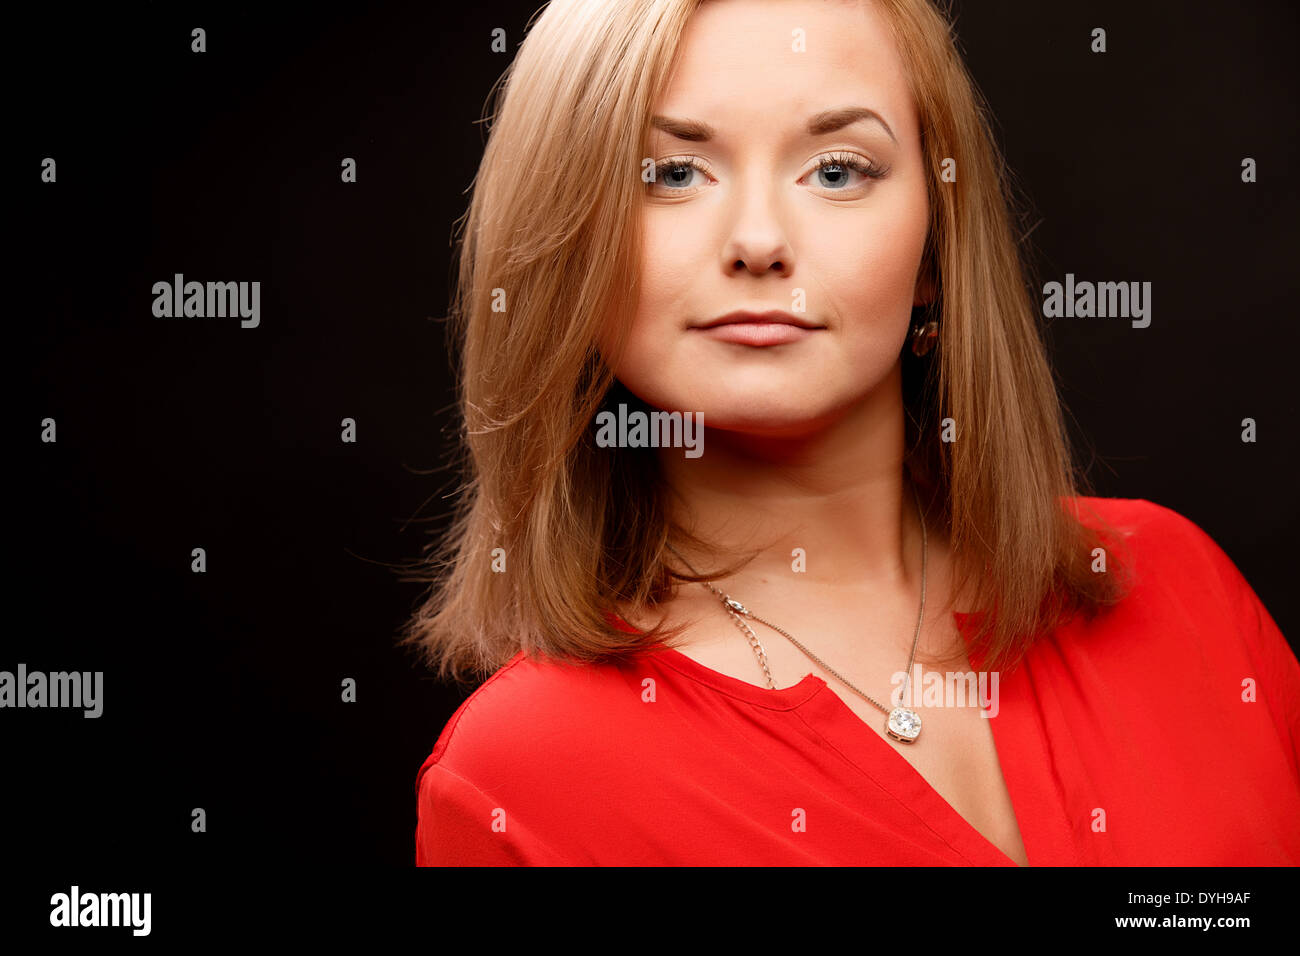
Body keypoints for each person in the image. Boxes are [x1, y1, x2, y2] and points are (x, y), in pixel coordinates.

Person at [402, 0, 1300, 865]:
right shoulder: (518, 781)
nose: (757, 241)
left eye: (836, 170)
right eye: (671, 173)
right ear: (569, 245)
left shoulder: (1175, 584)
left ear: (936, 250)